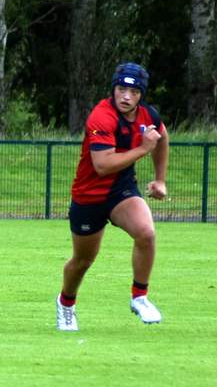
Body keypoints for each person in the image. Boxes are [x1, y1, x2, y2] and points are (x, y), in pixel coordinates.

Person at [57, 62, 169, 331]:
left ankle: (139, 297)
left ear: (141, 95)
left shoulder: (148, 115)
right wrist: (143, 149)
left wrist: (160, 180)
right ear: (113, 89)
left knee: (146, 233)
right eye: (121, 89)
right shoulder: (101, 116)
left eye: (133, 92)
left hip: (121, 189)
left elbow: (162, 137)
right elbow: (103, 165)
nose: (126, 97)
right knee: (83, 261)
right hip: (89, 195)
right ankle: (66, 304)